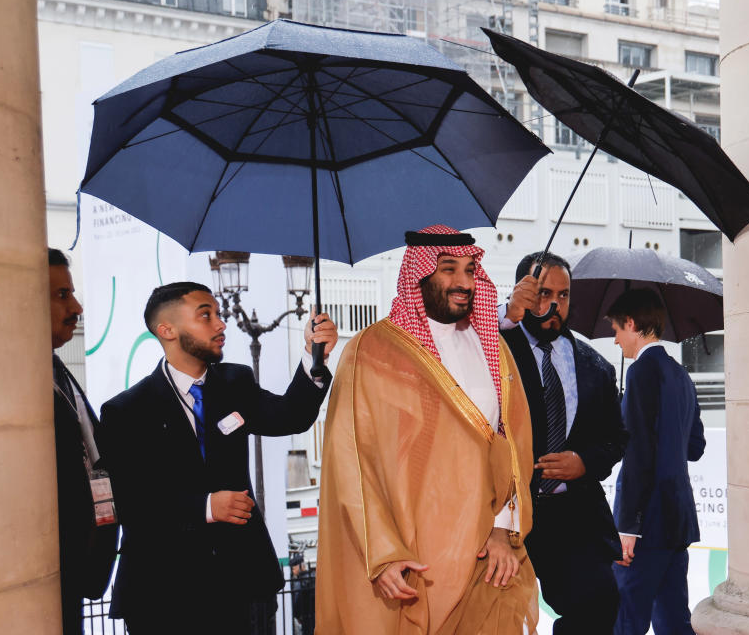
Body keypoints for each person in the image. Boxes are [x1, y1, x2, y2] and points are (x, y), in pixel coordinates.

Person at [316, 225, 540, 635]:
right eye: (448, 269)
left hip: (482, 560)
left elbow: (514, 442)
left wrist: (503, 529)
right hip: (411, 563)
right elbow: (351, 460)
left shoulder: (494, 349)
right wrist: (383, 554)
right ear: (417, 274)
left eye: (471, 271)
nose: (463, 282)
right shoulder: (371, 352)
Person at [95, 281, 337, 634]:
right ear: (167, 330)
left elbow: (290, 416)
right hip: (162, 596)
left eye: (219, 314)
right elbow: (132, 503)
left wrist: (314, 356)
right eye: (205, 315)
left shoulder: (235, 382)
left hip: (239, 586)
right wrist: (207, 507)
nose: (221, 324)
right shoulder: (126, 410)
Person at [499, 251, 629, 635]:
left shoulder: (596, 366)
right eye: (542, 293)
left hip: (574, 517)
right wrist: (508, 312)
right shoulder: (495, 350)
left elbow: (617, 438)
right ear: (523, 293)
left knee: (599, 604)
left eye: (564, 295)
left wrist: (584, 461)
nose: (553, 304)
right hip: (506, 514)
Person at [606, 289, 706, 635]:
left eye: (617, 331)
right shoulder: (682, 376)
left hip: (645, 524)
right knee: (674, 621)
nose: (616, 341)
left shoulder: (639, 373)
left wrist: (627, 527)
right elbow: (695, 446)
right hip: (677, 519)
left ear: (632, 324)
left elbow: (638, 456)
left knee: (624, 620)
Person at [48, 248, 119, 634]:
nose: (77, 307)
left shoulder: (58, 369)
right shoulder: (17, 380)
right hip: (49, 572)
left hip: (79, 571)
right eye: (61, 295)